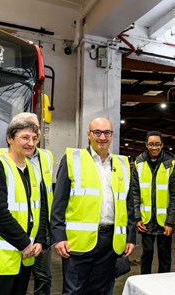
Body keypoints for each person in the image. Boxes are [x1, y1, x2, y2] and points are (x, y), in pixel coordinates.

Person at [50, 117, 136, 294]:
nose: (102, 137)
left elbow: (128, 204)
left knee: (102, 291)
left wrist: (130, 236)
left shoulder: (122, 164)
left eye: (107, 133)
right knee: (74, 291)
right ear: (89, 134)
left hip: (110, 242)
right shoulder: (73, 159)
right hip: (78, 242)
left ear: (112, 135)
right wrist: (58, 236)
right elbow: (59, 202)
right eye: (97, 132)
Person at [0, 116, 47, 295]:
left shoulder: (33, 170)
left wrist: (39, 240)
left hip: (26, 255)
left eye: (34, 138)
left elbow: (40, 208)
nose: (30, 143)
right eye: (25, 137)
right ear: (10, 138)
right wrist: (25, 244)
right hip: (2, 257)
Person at [1, 112, 54, 295]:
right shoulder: (2, 161)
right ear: (11, 137)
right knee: (14, 283)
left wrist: (43, 235)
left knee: (44, 278)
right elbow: (0, 211)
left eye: (36, 131)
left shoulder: (46, 157)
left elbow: (44, 196)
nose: (32, 138)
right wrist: (24, 242)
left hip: (41, 231)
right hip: (16, 237)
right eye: (26, 133)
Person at [132, 131, 175, 274]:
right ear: (146, 145)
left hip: (164, 222)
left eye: (157, 144)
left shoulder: (170, 164)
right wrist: (137, 217)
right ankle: (144, 284)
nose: (154, 148)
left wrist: (170, 221)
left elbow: (174, 195)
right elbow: (134, 193)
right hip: (146, 221)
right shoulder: (139, 163)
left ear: (162, 145)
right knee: (147, 254)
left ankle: (163, 286)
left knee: (165, 257)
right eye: (151, 144)